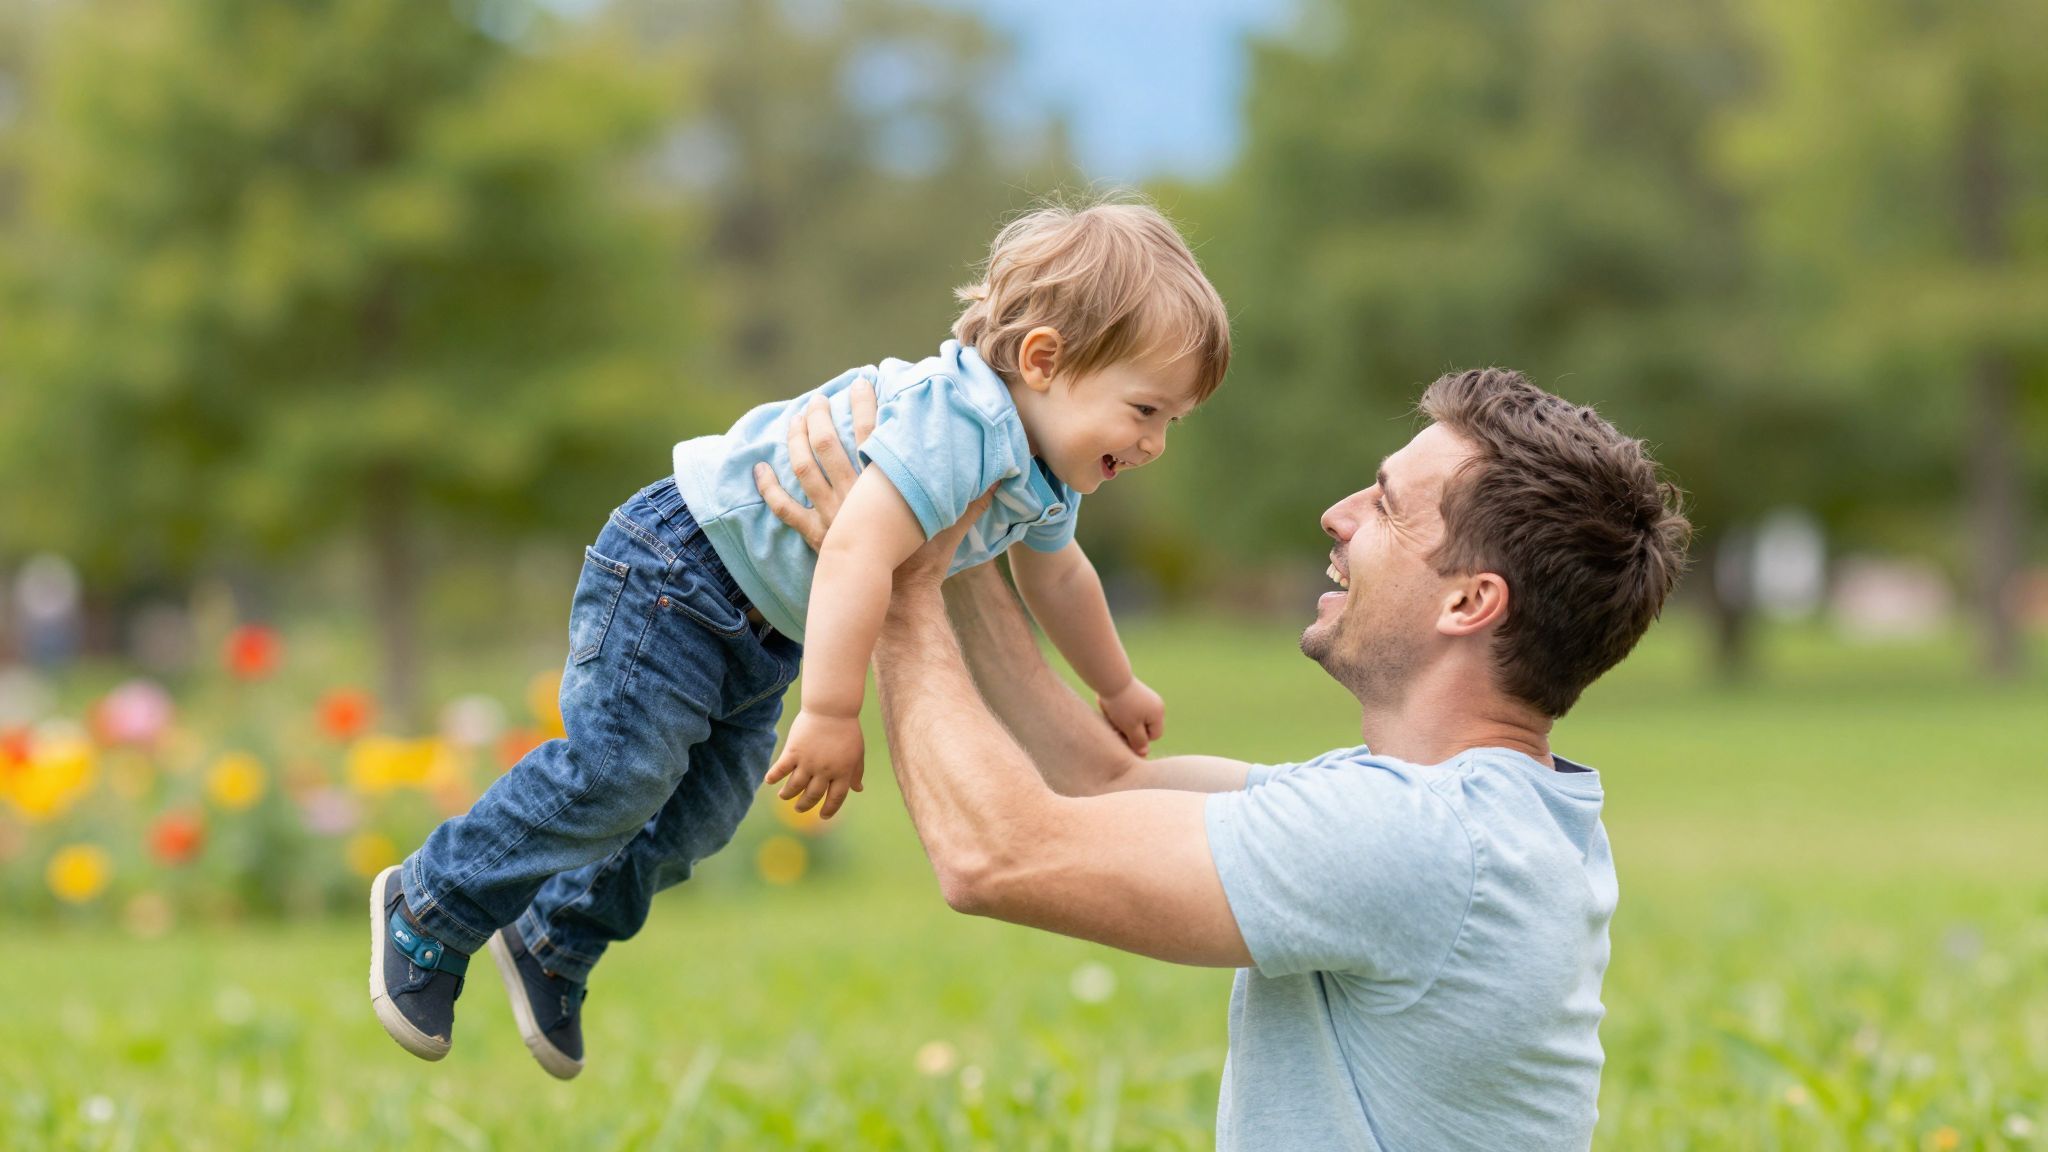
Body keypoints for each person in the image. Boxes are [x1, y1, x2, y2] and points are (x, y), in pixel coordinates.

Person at [367, 198, 1232, 1080]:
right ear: (1045, 360)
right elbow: (855, 544)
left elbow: (1061, 576)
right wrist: (831, 711)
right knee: (622, 767)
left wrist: (1116, 687)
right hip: (683, 569)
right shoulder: (961, 424)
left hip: (763, 628)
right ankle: (431, 903)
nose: (1156, 442)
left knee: (701, 818)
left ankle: (552, 937)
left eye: (1171, 422)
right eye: (1145, 409)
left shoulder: (1045, 474)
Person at [759, 366, 1691, 1150]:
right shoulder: (1457, 814)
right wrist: (936, 511)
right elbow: (1102, 780)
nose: (1337, 515)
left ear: (1468, 603)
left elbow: (996, 856)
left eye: (1388, 506)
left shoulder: (1424, 841)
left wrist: (892, 586)